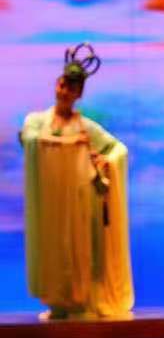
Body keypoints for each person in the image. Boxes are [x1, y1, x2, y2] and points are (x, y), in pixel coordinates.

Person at [20, 43, 133, 320]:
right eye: (63, 85)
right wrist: (68, 144)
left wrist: (104, 161)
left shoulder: (86, 128)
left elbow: (118, 149)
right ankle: (58, 304)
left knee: (79, 253)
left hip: (81, 204)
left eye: (72, 88)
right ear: (57, 85)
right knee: (54, 251)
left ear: (79, 93)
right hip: (51, 202)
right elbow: (29, 139)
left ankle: (82, 303)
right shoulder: (38, 121)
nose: (65, 91)